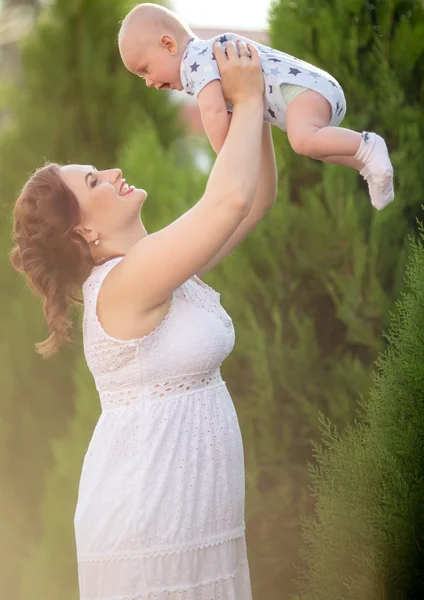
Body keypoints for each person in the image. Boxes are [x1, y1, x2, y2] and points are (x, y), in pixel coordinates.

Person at [9, 39, 276, 600]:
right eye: (93, 182)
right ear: (83, 233)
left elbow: (250, 203)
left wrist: (255, 108)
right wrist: (247, 101)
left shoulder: (158, 266)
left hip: (195, 524)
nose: (111, 172)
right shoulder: (125, 285)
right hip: (151, 529)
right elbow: (226, 201)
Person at [118, 2, 394, 211]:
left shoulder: (196, 62)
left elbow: (212, 112)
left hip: (302, 90)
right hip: (309, 92)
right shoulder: (206, 63)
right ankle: (367, 165)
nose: (149, 82)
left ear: (168, 45)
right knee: (318, 148)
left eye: (145, 70)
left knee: (303, 140)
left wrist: (226, 157)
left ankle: (368, 145)